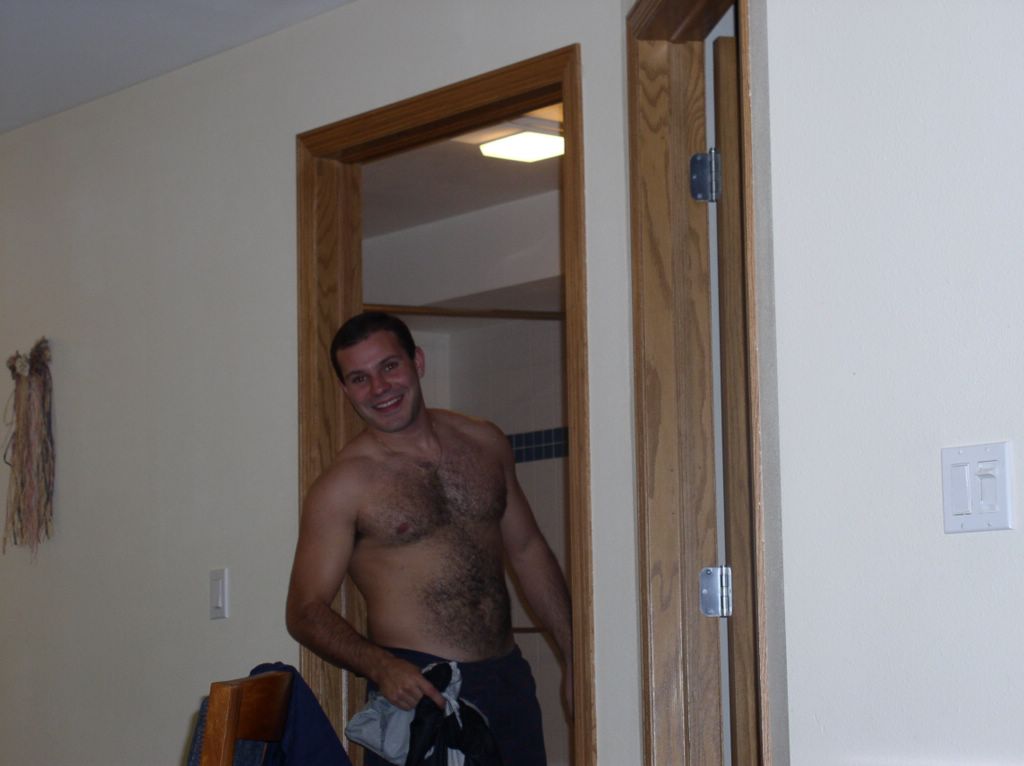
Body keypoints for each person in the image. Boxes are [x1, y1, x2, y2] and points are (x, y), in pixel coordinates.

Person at [286, 311, 572, 766]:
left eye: (389, 366)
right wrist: (380, 666)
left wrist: (574, 653)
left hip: (506, 681)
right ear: (345, 390)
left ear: (417, 361)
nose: (379, 388)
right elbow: (304, 610)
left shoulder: (485, 442)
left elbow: (527, 548)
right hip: (421, 692)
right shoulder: (344, 486)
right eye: (359, 378)